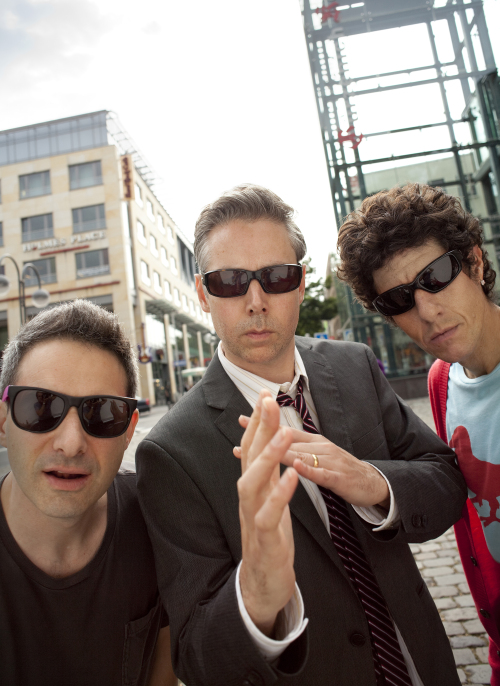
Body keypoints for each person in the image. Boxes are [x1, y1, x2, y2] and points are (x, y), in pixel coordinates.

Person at [137, 184, 467, 686]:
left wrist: (374, 483)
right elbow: (198, 656)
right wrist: (256, 595)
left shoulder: (354, 366)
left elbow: (445, 482)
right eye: (229, 281)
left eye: (275, 276)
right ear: (203, 295)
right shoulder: (171, 451)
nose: (255, 300)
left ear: (299, 283)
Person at [336, 182, 500, 684]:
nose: (426, 310)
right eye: (400, 299)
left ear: (473, 262)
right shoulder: (442, 382)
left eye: (436, 277)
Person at [0, 299, 177, 686]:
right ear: (3, 418)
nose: (71, 443)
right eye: (40, 407)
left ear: (129, 429)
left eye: (103, 413)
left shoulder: (156, 519)